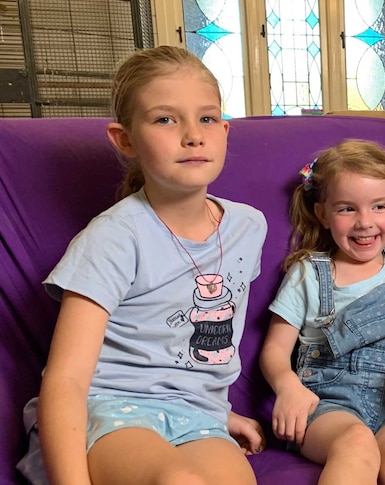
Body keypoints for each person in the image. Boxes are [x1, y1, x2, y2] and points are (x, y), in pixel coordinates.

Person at [15, 46, 267, 485]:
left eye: (206, 118)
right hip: (108, 407)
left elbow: (189, 341)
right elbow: (66, 381)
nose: (193, 135)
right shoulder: (114, 236)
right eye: (165, 119)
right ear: (125, 139)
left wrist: (221, 412)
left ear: (225, 130)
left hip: (198, 418)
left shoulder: (249, 226)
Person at [259, 139, 385, 485]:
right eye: (346, 209)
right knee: (356, 443)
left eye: (378, 206)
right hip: (326, 408)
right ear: (322, 213)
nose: (364, 222)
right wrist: (287, 386)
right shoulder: (309, 273)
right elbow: (274, 350)